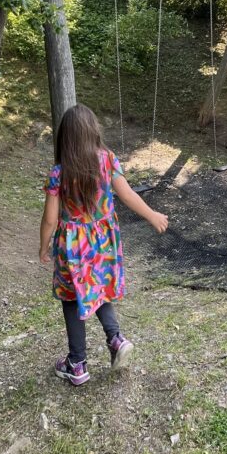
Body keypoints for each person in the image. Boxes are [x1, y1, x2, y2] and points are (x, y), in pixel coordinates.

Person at [39, 104, 169, 386]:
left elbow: (50, 218)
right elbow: (127, 195)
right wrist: (152, 215)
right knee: (96, 287)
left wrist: (43, 246)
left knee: (73, 297)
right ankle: (115, 339)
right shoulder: (107, 160)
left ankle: (77, 364)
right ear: (92, 132)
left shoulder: (59, 172)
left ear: (66, 138)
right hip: (103, 241)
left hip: (73, 246)